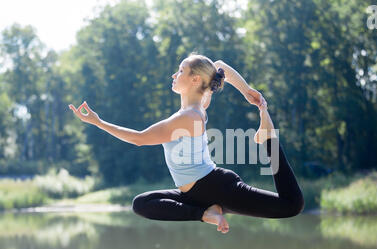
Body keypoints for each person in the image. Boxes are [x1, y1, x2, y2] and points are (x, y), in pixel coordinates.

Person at [69, 53, 304, 234]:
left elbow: (139, 139)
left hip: (216, 187)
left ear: (195, 79)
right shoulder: (198, 106)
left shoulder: (188, 117)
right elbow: (220, 66)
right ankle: (205, 213)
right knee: (142, 203)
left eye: (180, 70)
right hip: (195, 194)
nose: (174, 75)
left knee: (291, 205)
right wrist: (246, 91)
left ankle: (268, 139)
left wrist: (98, 122)